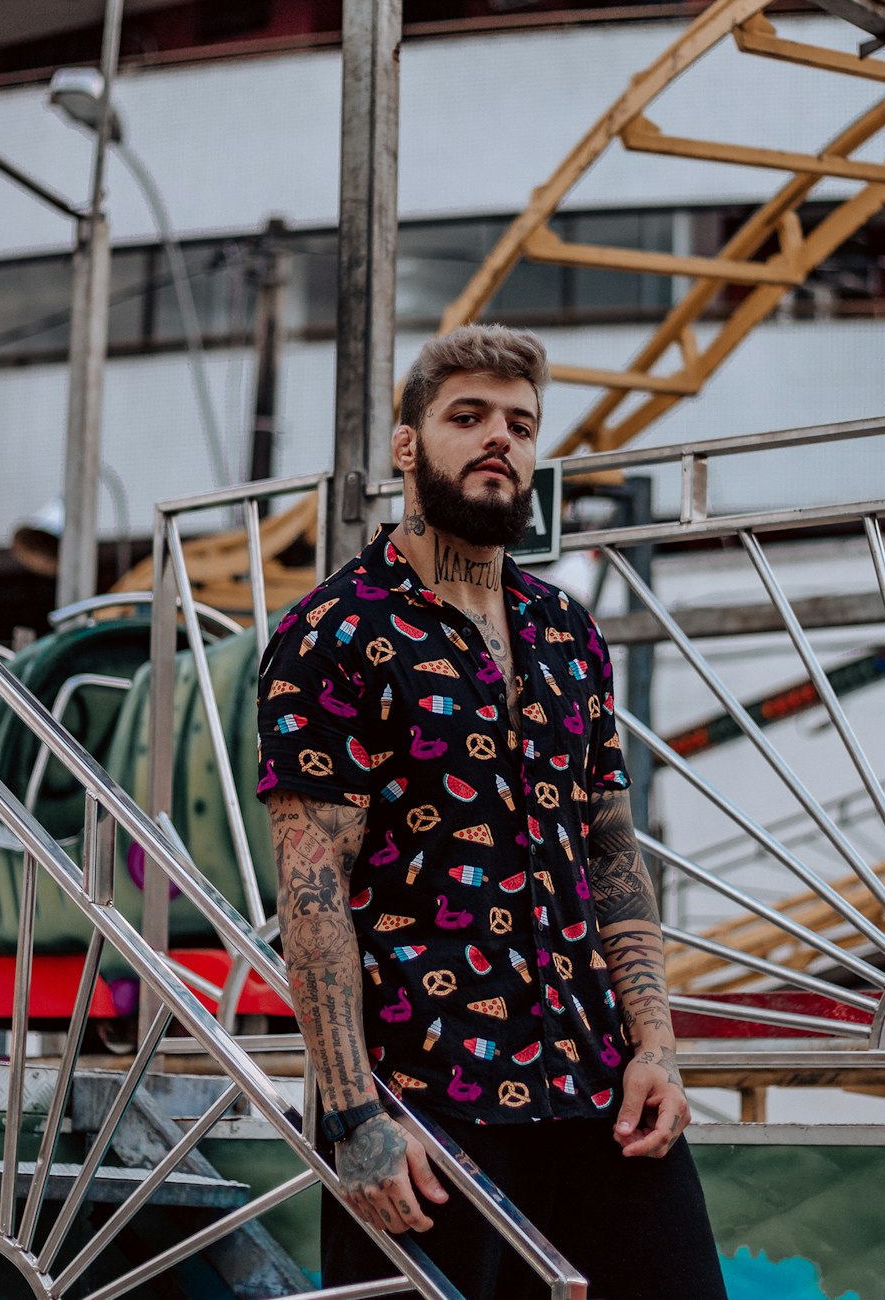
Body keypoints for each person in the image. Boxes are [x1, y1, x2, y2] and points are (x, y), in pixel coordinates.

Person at [257, 324, 726, 1300]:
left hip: (597, 1087)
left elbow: (610, 856)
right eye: (466, 417)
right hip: (430, 1105)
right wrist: (350, 1116)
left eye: (518, 422)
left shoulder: (566, 631)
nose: (497, 440)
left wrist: (658, 1052)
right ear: (406, 445)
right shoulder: (335, 634)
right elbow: (311, 889)